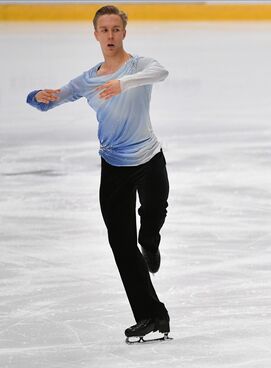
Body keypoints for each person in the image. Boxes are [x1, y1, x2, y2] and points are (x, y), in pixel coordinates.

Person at [26, 5, 171, 342]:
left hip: (149, 159)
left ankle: (150, 241)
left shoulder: (139, 66)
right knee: (120, 243)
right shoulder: (88, 80)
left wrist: (124, 83)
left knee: (153, 215)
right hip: (114, 168)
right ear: (95, 35)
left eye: (115, 29)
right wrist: (37, 96)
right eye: (104, 30)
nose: (110, 35)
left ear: (124, 32)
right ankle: (152, 315)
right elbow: (51, 100)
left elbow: (161, 73)